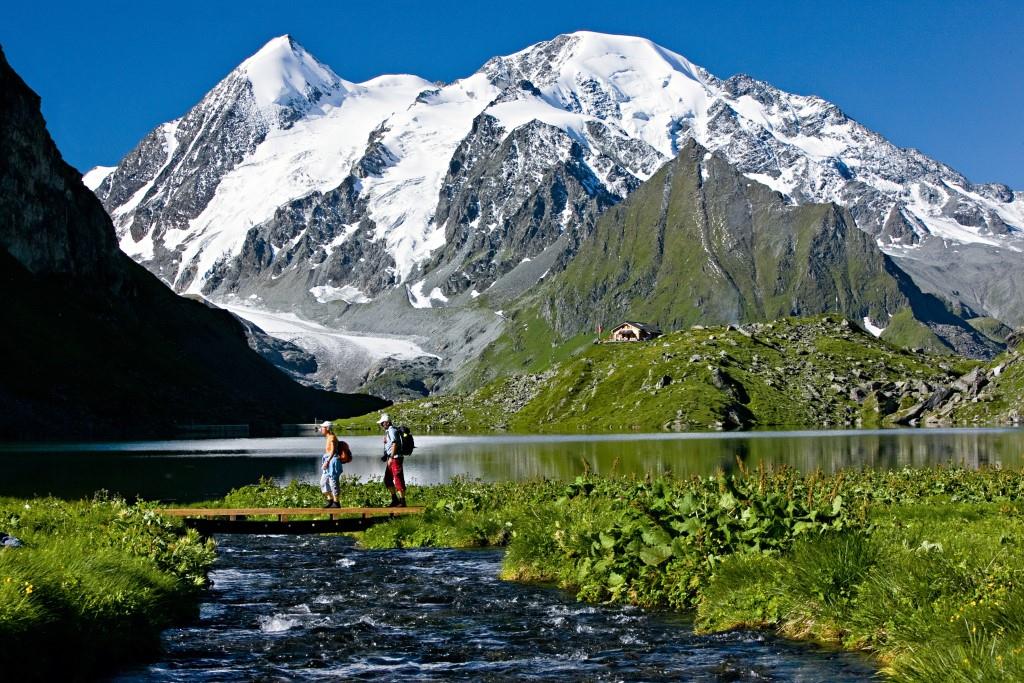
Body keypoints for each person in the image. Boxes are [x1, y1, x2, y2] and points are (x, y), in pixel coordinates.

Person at [378, 413, 406, 507]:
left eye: (382, 423)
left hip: (395, 458)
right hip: (392, 458)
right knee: (388, 479)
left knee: (398, 478)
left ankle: (402, 501)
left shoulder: (392, 431)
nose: (381, 425)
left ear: (386, 423)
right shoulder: (389, 431)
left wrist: (391, 457)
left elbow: (395, 444)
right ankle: (395, 500)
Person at [318, 420, 343, 508]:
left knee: (333, 482)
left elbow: (333, 451)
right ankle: (330, 500)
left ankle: (336, 503)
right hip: (329, 460)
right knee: (323, 482)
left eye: (323, 427)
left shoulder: (332, 437)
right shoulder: (329, 437)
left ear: (327, 428)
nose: (321, 429)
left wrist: (327, 461)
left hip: (333, 461)